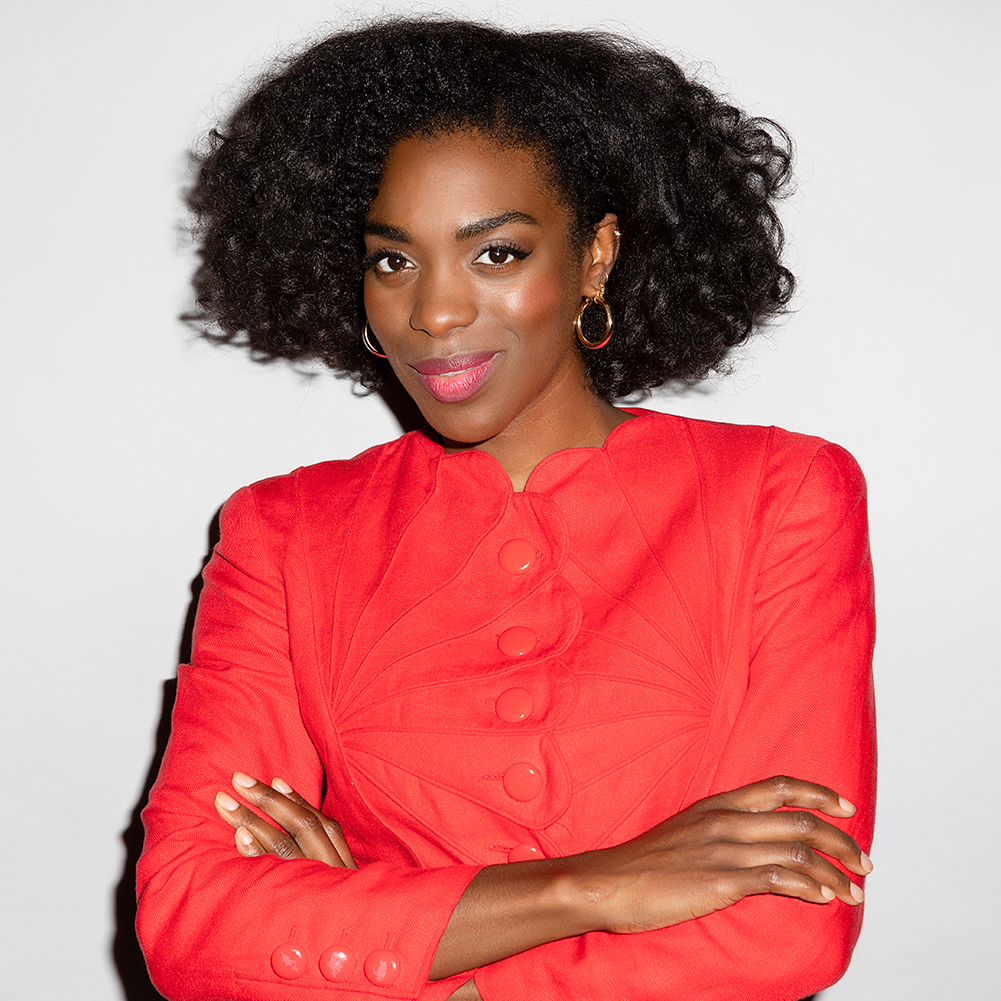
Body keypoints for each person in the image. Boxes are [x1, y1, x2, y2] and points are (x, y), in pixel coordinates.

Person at [136, 17, 876, 1001]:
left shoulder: (780, 497)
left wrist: (401, 944)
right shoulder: (283, 532)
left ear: (595, 258)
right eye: (393, 260)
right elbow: (191, 921)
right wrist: (587, 887)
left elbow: (786, 928)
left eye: (494, 254)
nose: (433, 312)